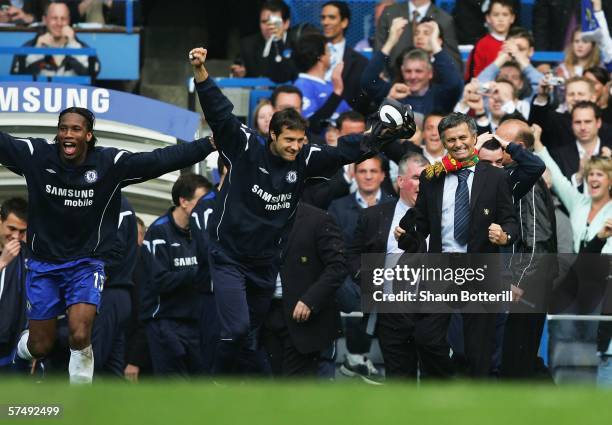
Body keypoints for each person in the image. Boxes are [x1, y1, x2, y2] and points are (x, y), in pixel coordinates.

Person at [189, 46, 389, 375]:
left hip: (266, 262)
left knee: (250, 334)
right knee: (237, 328)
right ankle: (218, 381)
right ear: (272, 135)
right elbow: (220, 112)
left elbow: (343, 153)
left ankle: (247, 390)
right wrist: (201, 72)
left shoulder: (304, 158)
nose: (296, 147)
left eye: (300, 140)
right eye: (289, 141)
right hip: (230, 256)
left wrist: (378, 136)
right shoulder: (246, 146)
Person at [1, 105, 215, 384]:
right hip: (44, 265)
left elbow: (159, 159)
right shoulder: (37, 155)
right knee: (40, 345)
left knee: (80, 333)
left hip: (85, 263)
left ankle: (80, 406)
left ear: (88, 135)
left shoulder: (110, 165)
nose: (68, 134)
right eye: (63, 128)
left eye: (76, 129)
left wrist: (208, 144)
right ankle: (22, 352)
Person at [395, 113, 518, 377]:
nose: (458, 144)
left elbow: (510, 220)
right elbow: (422, 222)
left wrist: (505, 235)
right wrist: (406, 237)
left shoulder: (495, 177)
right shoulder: (432, 176)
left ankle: (477, 408)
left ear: (474, 138)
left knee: (479, 350)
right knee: (427, 337)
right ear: (443, 142)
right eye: (451, 140)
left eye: (463, 137)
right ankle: (449, 382)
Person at [261, 203, 346, 376]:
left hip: (304, 317)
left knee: (296, 388)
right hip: (267, 315)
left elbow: (338, 266)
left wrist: (310, 300)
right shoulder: (256, 219)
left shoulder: (318, 219)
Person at [141, 174, 212, 377]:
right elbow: (159, 280)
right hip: (165, 323)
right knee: (173, 392)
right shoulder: (158, 232)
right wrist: (200, 272)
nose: (207, 208)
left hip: (198, 324)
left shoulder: (203, 230)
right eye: (202, 202)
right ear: (184, 201)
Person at [361, 18, 463, 115]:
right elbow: (368, 81)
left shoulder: (440, 93)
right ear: (402, 70)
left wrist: (434, 43)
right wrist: (391, 41)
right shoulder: (395, 91)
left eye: (419, 71)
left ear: (430, 73)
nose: (413, 76)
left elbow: (453, 84)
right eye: (408, 71)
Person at [91, 195, 137, 377]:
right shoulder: (114, 201)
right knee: (112, 368)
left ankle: (85, 405)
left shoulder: (114, 202)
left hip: (108, 292)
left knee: (93, 363)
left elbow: (113, 254)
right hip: (117, 293)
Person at [10, 2, 98, 78]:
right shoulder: (30, 46)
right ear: (45, 20)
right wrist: (38, 50)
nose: (59, 23)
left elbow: (91, 74)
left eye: (63, 18)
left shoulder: (79, 46)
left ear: (69, 21)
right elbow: (19, 76)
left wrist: (72, 44)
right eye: (54, 18)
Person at [375, 0, 460, 72]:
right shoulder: (390, 13)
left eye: (426, 32)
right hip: (393, 82)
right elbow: (378, 51)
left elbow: (454, 65)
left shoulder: (444, 19)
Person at [320, 1, 371, 114]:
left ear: (344, 22)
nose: (325, 22)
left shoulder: (361, 63)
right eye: (323, 18)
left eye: (331, 17)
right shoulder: (310, 55)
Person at [230, 0, 296, 83]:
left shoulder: (297, 44)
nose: (269, 26)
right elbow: (238, 72)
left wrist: (278, 40)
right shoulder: (248, 45)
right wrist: (239, 74)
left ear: (286, 24)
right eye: (264, 22)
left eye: (275, 22)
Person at [293, 33, 351, 126]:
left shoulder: (331, 84)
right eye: (328, 51)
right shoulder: (302, 86)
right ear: (320, 57)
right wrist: (336, 93)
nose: (330, 55)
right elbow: (311, 124)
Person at [477, 27, 543, 103]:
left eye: (520, 49)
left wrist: (518, 56)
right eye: (510, 49)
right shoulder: (494, 74)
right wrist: (500, 59)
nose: (514, 54)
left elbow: (545, 95)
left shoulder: (535, 77)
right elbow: (477, 89)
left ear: (531, 51)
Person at [0, 198, 28, 371]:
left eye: (22, 232)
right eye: (11, 229)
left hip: (15, 351)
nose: (16, 237)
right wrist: (2, 262)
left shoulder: (27, 253)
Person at [464, 0, 517, 81]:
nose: (500, 19)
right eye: (496, 15)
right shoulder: (482, 45)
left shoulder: (517, 43)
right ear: (488, 18)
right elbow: (474, 76)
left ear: (512, 18)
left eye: (505, 15)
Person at [453, 0, 521, 45]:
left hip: (506, 44)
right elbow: (467, 33)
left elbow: (515, 29)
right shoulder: (466, 3)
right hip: (473, 43)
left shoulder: (512, 2)